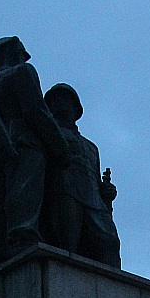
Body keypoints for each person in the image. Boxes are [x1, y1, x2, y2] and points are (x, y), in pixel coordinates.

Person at [0, 36, 69, 268]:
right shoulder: (22, 72)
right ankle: (21, 238)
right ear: (13, 53)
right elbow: (36, 110)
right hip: (24, 142)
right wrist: (59, 146)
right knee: (23, 191)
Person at [42, 83, 121, 269]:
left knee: (109, 242)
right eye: (55, 101)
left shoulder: (91, 147)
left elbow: (95, 179)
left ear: (75, 108)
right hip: (63, 194)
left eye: (65, 100)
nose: (61, 104)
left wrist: (107, 192)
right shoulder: (46, 135)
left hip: (94, 202)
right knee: (66, 246)